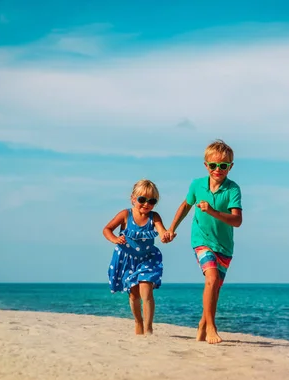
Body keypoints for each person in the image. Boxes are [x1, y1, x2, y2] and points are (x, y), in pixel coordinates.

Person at [164, 139, 242, 344]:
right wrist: (172, 228)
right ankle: (211, 327)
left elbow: (238, 221)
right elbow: (185, 205)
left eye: (223, 166)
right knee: (212, 278)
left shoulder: (233, 189)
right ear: (206, 165)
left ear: (230, 167)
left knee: (214, 288)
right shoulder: (197, 185)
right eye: (214, 165)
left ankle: (201, 323)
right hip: (201, 241)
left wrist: (214, 212)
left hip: (224, 246)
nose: (218, 169)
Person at [103, 179, 171, 335]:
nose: (146, 204)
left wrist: (166, 236)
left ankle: (148, 328)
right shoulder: (125, 215)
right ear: (133, 198)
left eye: (151, 201)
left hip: (148, 259)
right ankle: (138, 322)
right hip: (127, 260)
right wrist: (115, 239)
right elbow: (107, 229)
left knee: (146, 290)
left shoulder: (154, 217)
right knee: (134, 294)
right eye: (142, 199)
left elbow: (162, 232)